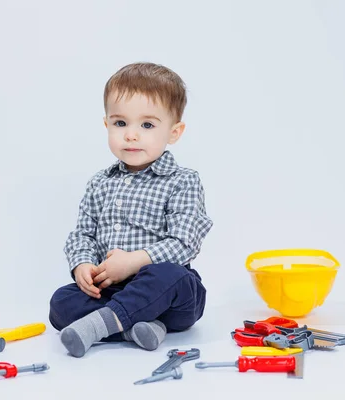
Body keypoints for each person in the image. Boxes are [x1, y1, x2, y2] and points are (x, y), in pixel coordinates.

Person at [48, 62, 213, 358]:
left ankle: (99, 327)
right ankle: (136, 328)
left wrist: (135, 261)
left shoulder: (183, 181)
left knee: (173, 277)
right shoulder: (100, 183)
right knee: (61, 303)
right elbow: (83, 233)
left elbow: (185, 242)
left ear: (174, 132)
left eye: (147, 125)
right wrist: (82, 265)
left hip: (167, 294)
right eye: (120, 123)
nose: (131, 135)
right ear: (107, 125)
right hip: (113, 291)